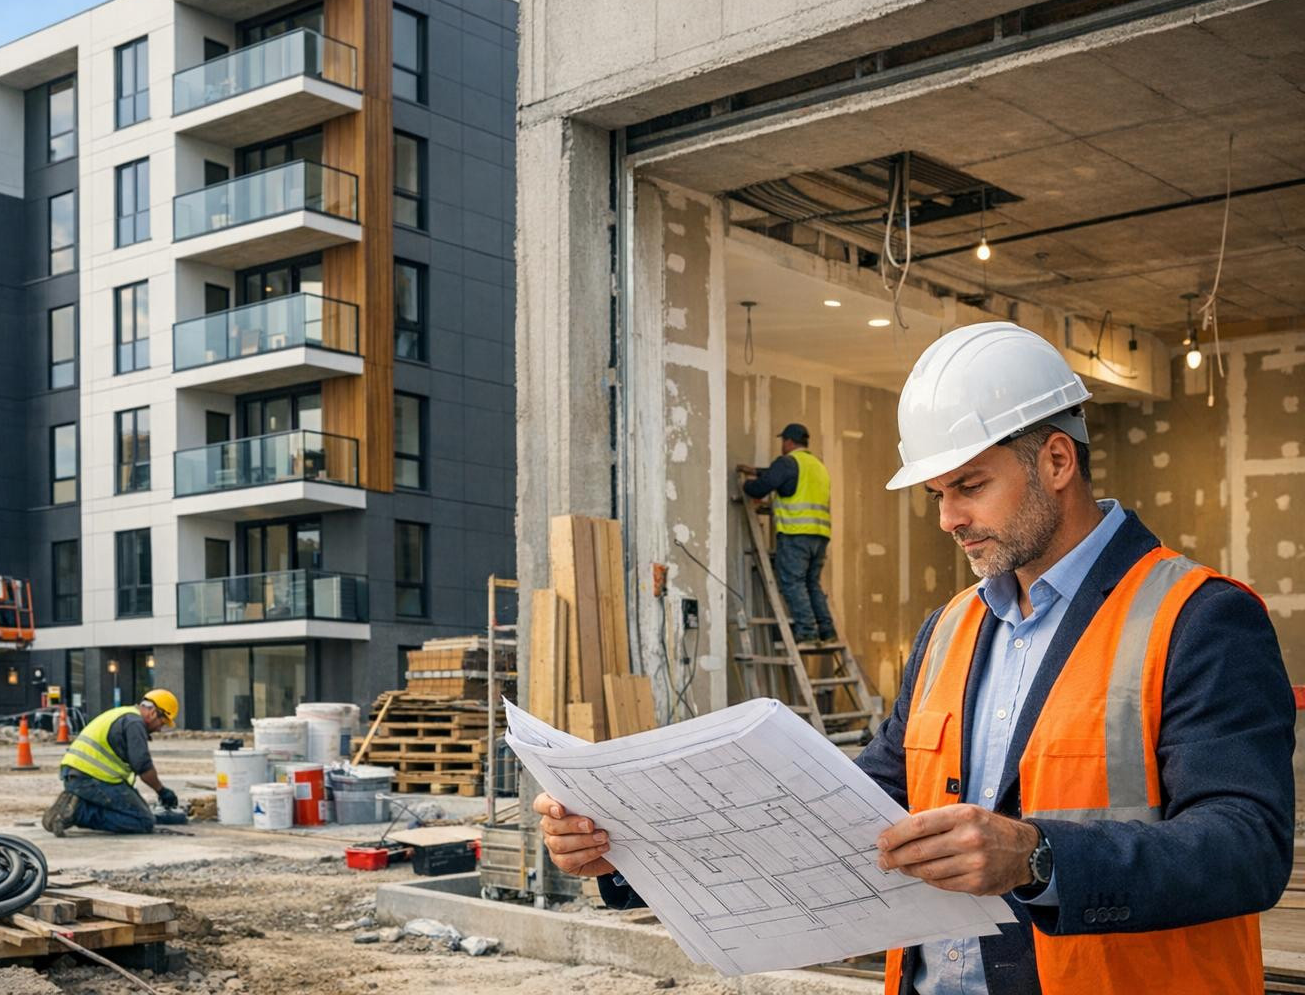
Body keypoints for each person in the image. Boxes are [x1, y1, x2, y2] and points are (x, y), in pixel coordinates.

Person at [537, 322, 1293, 994]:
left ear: (1057, 459)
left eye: (969, 486)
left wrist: (1038, 857)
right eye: (937, 492)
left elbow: (1246, 848)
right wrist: (635, 850)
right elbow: (848, 813)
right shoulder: (949, 629)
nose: (948, 519)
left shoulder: (1198, 616)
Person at [738, 422, 837, 643]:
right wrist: (757, 471)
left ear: (789, 442)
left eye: (783, 441)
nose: (782, 445)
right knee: (812, 583)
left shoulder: (788, 462)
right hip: (820, 535)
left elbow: (765, 484)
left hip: (796, 533)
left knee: (793, 582)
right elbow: (782, 476)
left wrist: (747, 486)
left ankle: (807, 631)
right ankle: (827, 630)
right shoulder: (817, 466)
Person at [42, 689, 181, 835]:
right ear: (153, 713)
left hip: (79, 776)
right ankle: (79, 811)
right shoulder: (135, 723)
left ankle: (75, 803)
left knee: (138, 811)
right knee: (143, 821)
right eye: (162, 722)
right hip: (90, 779)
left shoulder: (124, 714)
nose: (159, 729)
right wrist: (162, 791)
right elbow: (142, 766)